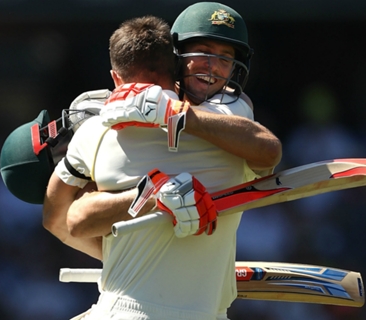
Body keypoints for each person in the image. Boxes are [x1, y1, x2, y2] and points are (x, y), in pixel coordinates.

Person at [41, 4, 281, 320]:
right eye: (203, 52)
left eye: (225, 58)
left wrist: (177, 114)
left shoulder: (233, 115)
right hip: (129, 309)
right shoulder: (103, 125)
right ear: (175, 56)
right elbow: (66, 218)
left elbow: (269, 152)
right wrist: (149, 196)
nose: (213, 66)